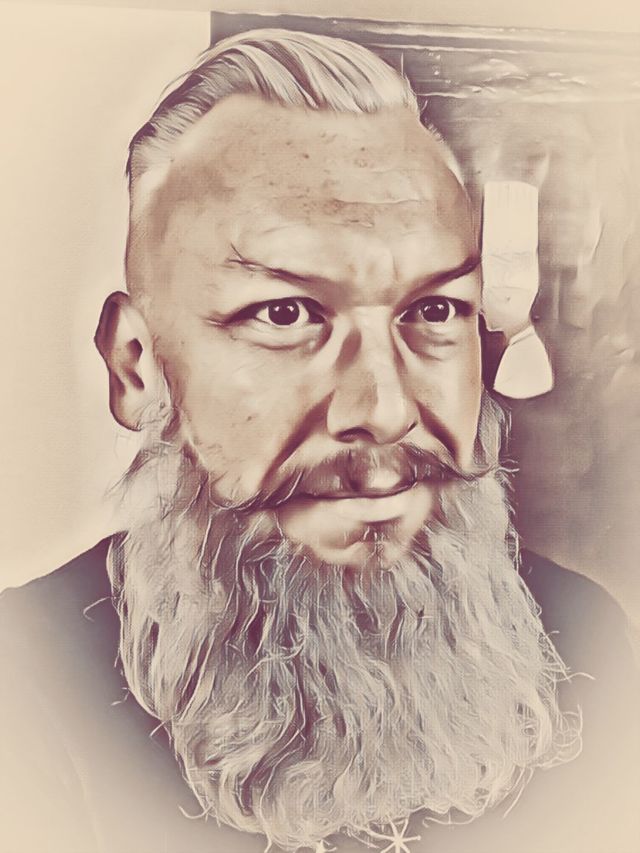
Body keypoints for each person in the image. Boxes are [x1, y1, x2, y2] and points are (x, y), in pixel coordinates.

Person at [0, 29, 637, 853]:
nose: (386, 410)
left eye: (433, 310)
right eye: (286, 313)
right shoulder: (25, 687)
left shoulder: (585, 638)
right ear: (137, 366)